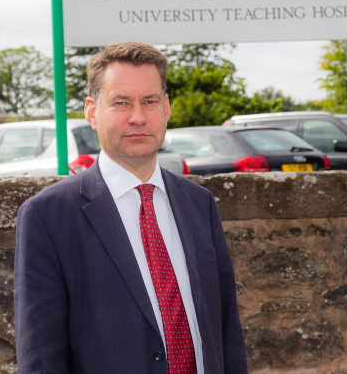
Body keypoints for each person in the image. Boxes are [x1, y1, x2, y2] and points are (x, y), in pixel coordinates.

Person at [14, 41, 248, 374]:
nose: (138, 117)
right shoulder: (48, 216)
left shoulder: (199, 202)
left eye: (149, 101)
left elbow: (227, 330)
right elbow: (41, 355)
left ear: (165, 108)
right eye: (121, 102)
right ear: (92, 112)